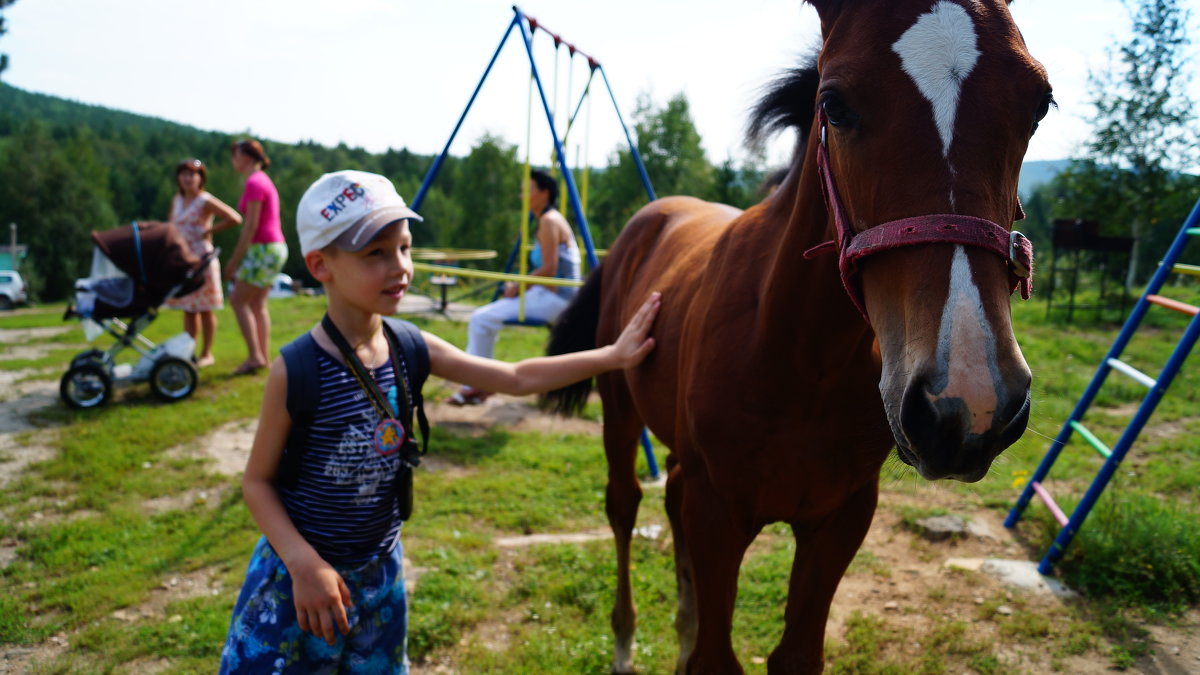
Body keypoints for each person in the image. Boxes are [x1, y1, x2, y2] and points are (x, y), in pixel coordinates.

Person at [218, 170, 660, 674]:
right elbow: (257, 482)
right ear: (321, 265)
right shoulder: (295, 370)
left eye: (404, 248)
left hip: (380, 575)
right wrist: (303, 563)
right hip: (299, 581)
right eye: (376, 254)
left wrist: (610, 356)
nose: (399, 267)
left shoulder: (412, 347)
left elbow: (513, 376)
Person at [450, 168, 582, 405]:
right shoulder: (550, 219)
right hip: (556, 295)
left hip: (556, 298)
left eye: (528, 191)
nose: (523, 196)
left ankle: (477, 383)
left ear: (544, 193)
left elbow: (550, 269)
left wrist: (519, 287)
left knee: (481, 318)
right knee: (486, 318)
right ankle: (481, 381)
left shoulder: (549, 222)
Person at [163, 158, 243, 367]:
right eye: (184, 174)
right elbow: (171, 226)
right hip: (183, 258)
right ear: (178, 178)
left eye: (193, 174)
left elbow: (234, 218)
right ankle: (188, 351)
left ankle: (207, 353)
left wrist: (209, 230)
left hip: (201, 258)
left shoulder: (204, 200)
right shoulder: (177, 201)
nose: (188, 179)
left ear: (201, 178)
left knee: (205, 308)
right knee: (188, 308)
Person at [226, 138, 288, 375]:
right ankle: (262, 357)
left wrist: (233, 261)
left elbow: (250, 226)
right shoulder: (263, 180)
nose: (234, 160)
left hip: (263, 248)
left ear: (248, 158)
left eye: (236, 155)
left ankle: (254, 357)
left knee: (238, 301)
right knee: (257, 303)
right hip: (275, 247)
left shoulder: (253, 182)